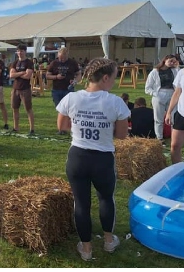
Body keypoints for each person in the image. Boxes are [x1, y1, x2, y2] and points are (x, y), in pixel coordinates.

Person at [56, 58, 129, 261]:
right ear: (105, 78)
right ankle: (108, 241)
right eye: (113, 78)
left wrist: (82, 128)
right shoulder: (115, 102)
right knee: (106, 199)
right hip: (103, 159)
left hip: (78, 157)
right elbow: (122, 136)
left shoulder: (71, 98)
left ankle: (86, 249)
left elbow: (62, 126)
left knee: (81, 203)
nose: (113, 83)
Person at [144, 54, 179, 144]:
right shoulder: (155, 71)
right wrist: (156, 94)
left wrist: (177, 66)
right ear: (165, 60)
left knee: (172, 116)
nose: (172, 63)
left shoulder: (175, 70)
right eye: (170, 61)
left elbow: (179, 81)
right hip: (159, 94)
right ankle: (159, 137)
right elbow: (148, 87)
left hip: (172, 93)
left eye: (173, 61)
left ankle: (174, 137)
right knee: (158, 118)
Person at [47, 46, 80, 124]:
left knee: (69, 108)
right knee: (59, 109)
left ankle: (67, 126)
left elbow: (79, 74)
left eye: (63, 58)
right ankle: (62, 127)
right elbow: (47, 75)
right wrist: (56, 77)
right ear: (58, 55)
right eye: (60, 58)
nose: (61, 60)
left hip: (68, 89)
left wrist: (75, 81)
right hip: (56, 89)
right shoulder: (54, 63)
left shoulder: (72, 63)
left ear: (67, 56)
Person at [10, 44, 36, 134]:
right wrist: (21, 72)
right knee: (14, 108)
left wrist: (17, 74)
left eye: (22, 51)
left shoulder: (29, 62)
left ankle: (32, 129)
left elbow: (28, 76)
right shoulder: (15, 62)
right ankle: (16, 127)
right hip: (15, 88)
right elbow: (11, 75)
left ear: (25, 51)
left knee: (28, 109)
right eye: (18, 51)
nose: (20, 53)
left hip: (25, 89)